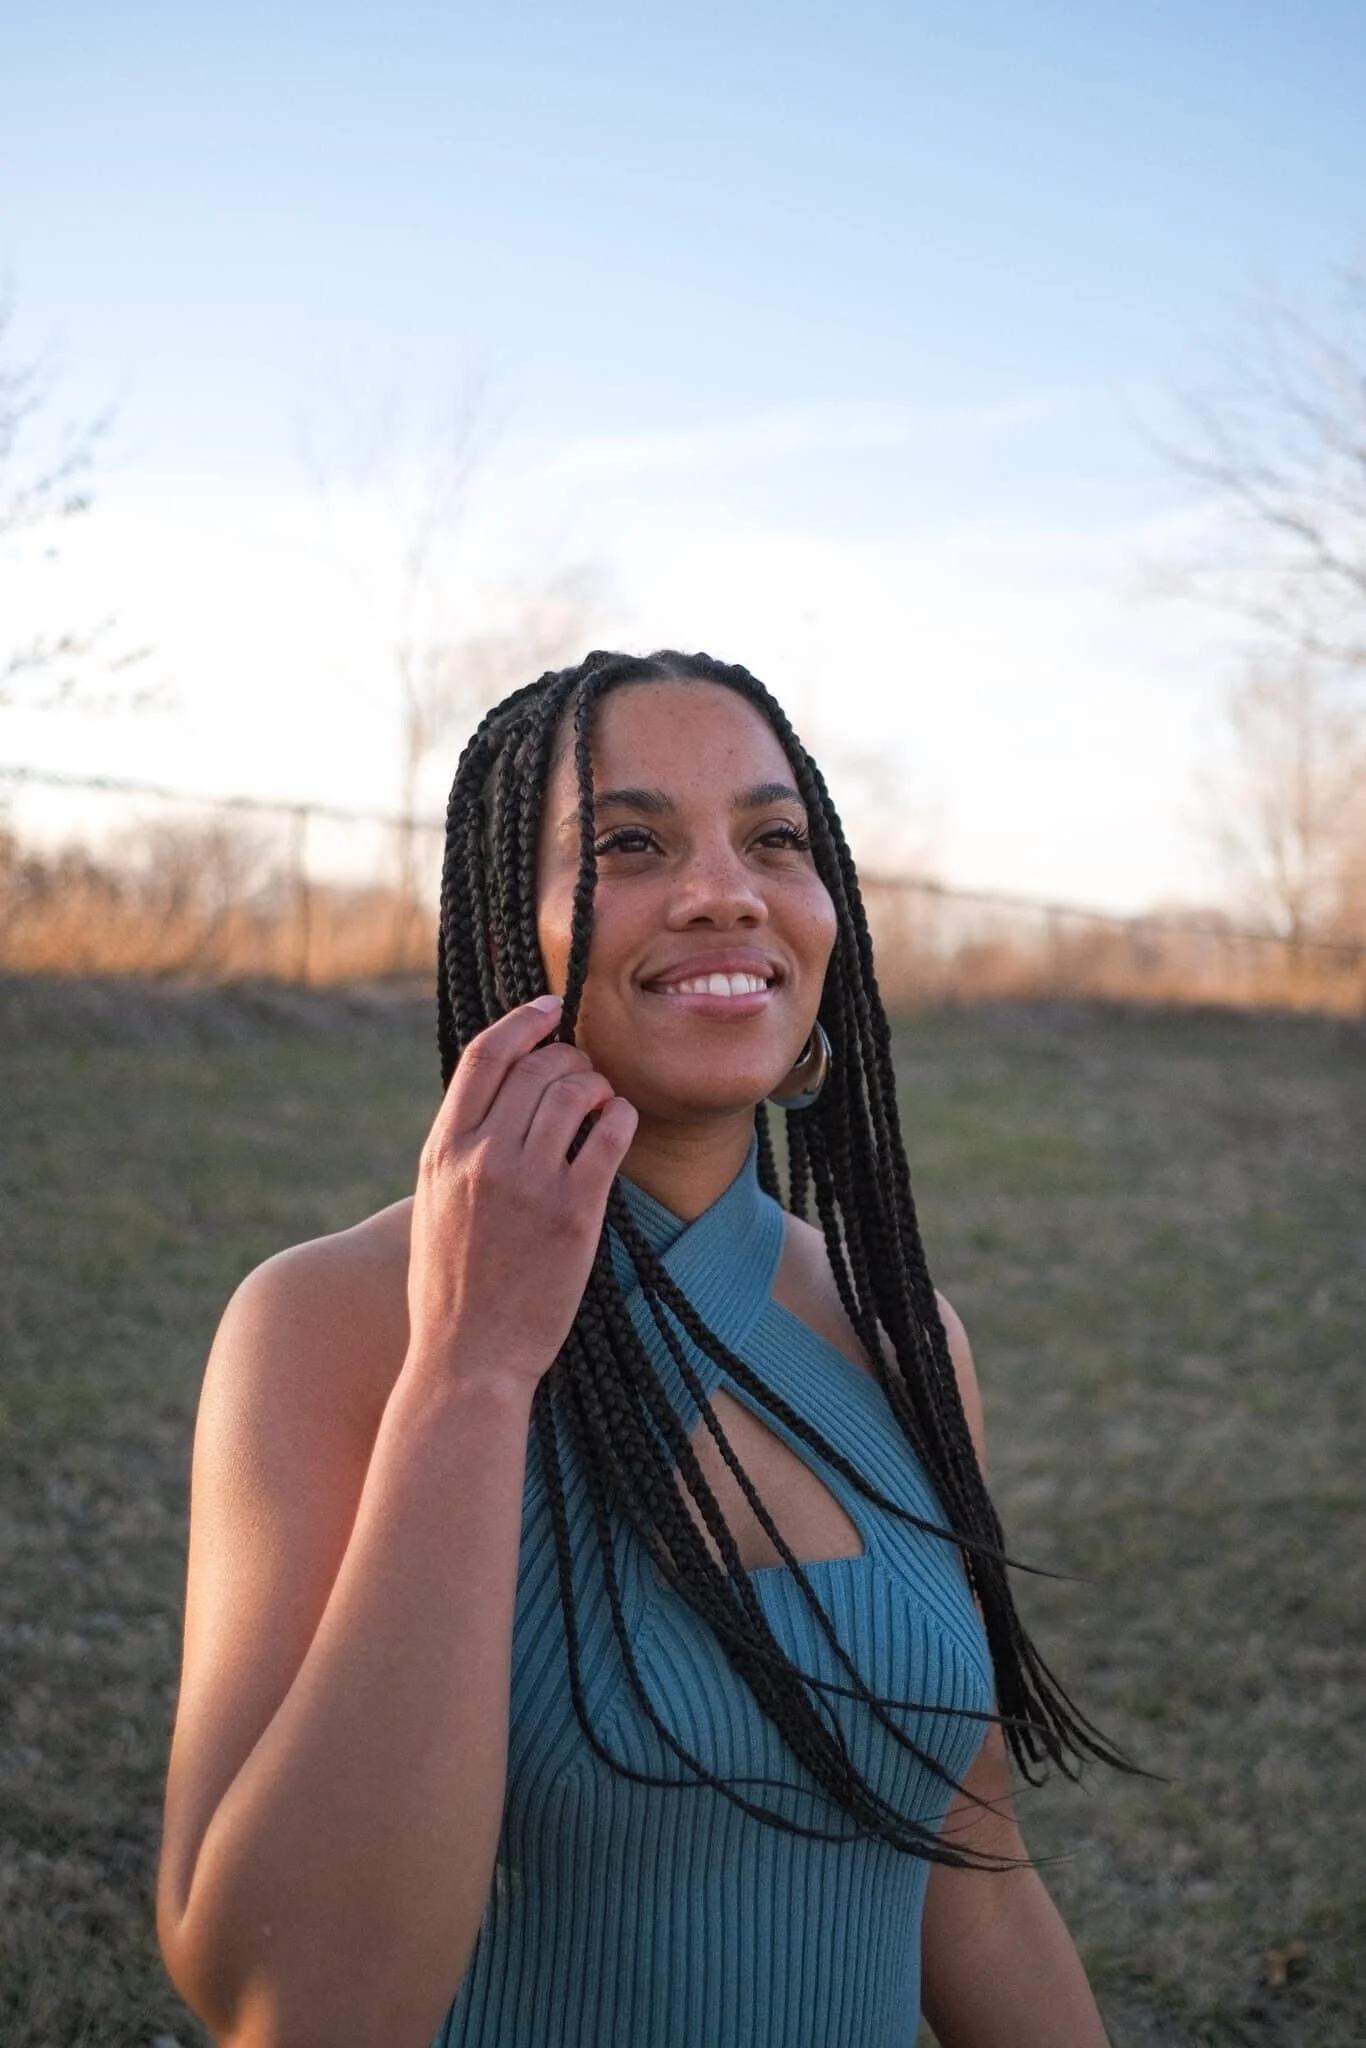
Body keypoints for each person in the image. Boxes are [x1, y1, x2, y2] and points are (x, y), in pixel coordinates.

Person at [158, 649, 1125, 2048]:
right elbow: (293, 2004)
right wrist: (472, 1371)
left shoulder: (898, 1335)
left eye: (774, 839)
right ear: (506, 925)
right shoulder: (326, 1324)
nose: (725, 888)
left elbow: (971, 1891)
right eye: (627, 842)